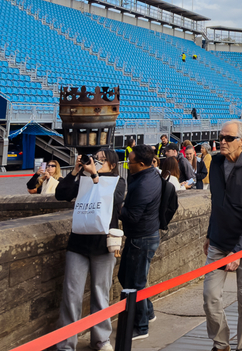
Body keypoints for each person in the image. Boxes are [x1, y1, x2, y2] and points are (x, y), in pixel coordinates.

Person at [55, 149, 127, 351]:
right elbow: (61, 195)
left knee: (100, 293)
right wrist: (75, 172)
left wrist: (96, 175)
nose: (95, 163)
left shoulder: (117, 182)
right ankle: (66, 344)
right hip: (78, 244)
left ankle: (101, 339)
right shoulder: (82, 180)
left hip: (104, 245)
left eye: (102, 161)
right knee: (71, 295)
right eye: (95, 159)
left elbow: (114, 202)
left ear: (112, 165)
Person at [203, 120, 242, 351]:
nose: (222, 141)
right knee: (210, 297)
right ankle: (221, 344)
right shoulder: (216, 162)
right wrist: (210, 233)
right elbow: (216, 203)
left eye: (228, 138)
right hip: (219, 241)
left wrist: (238, 251)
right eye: (220, 137)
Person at [118, 145, 162, 341]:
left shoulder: (145, 184)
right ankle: (149, 312)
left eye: (131, 161)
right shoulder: (148, 175)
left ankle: (141, 326)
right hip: (142, 236)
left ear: (142, 164)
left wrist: (117, 206)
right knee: (127, 277)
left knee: (135, 284)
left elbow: (132, 216)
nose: (128, 164)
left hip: (142, 238)